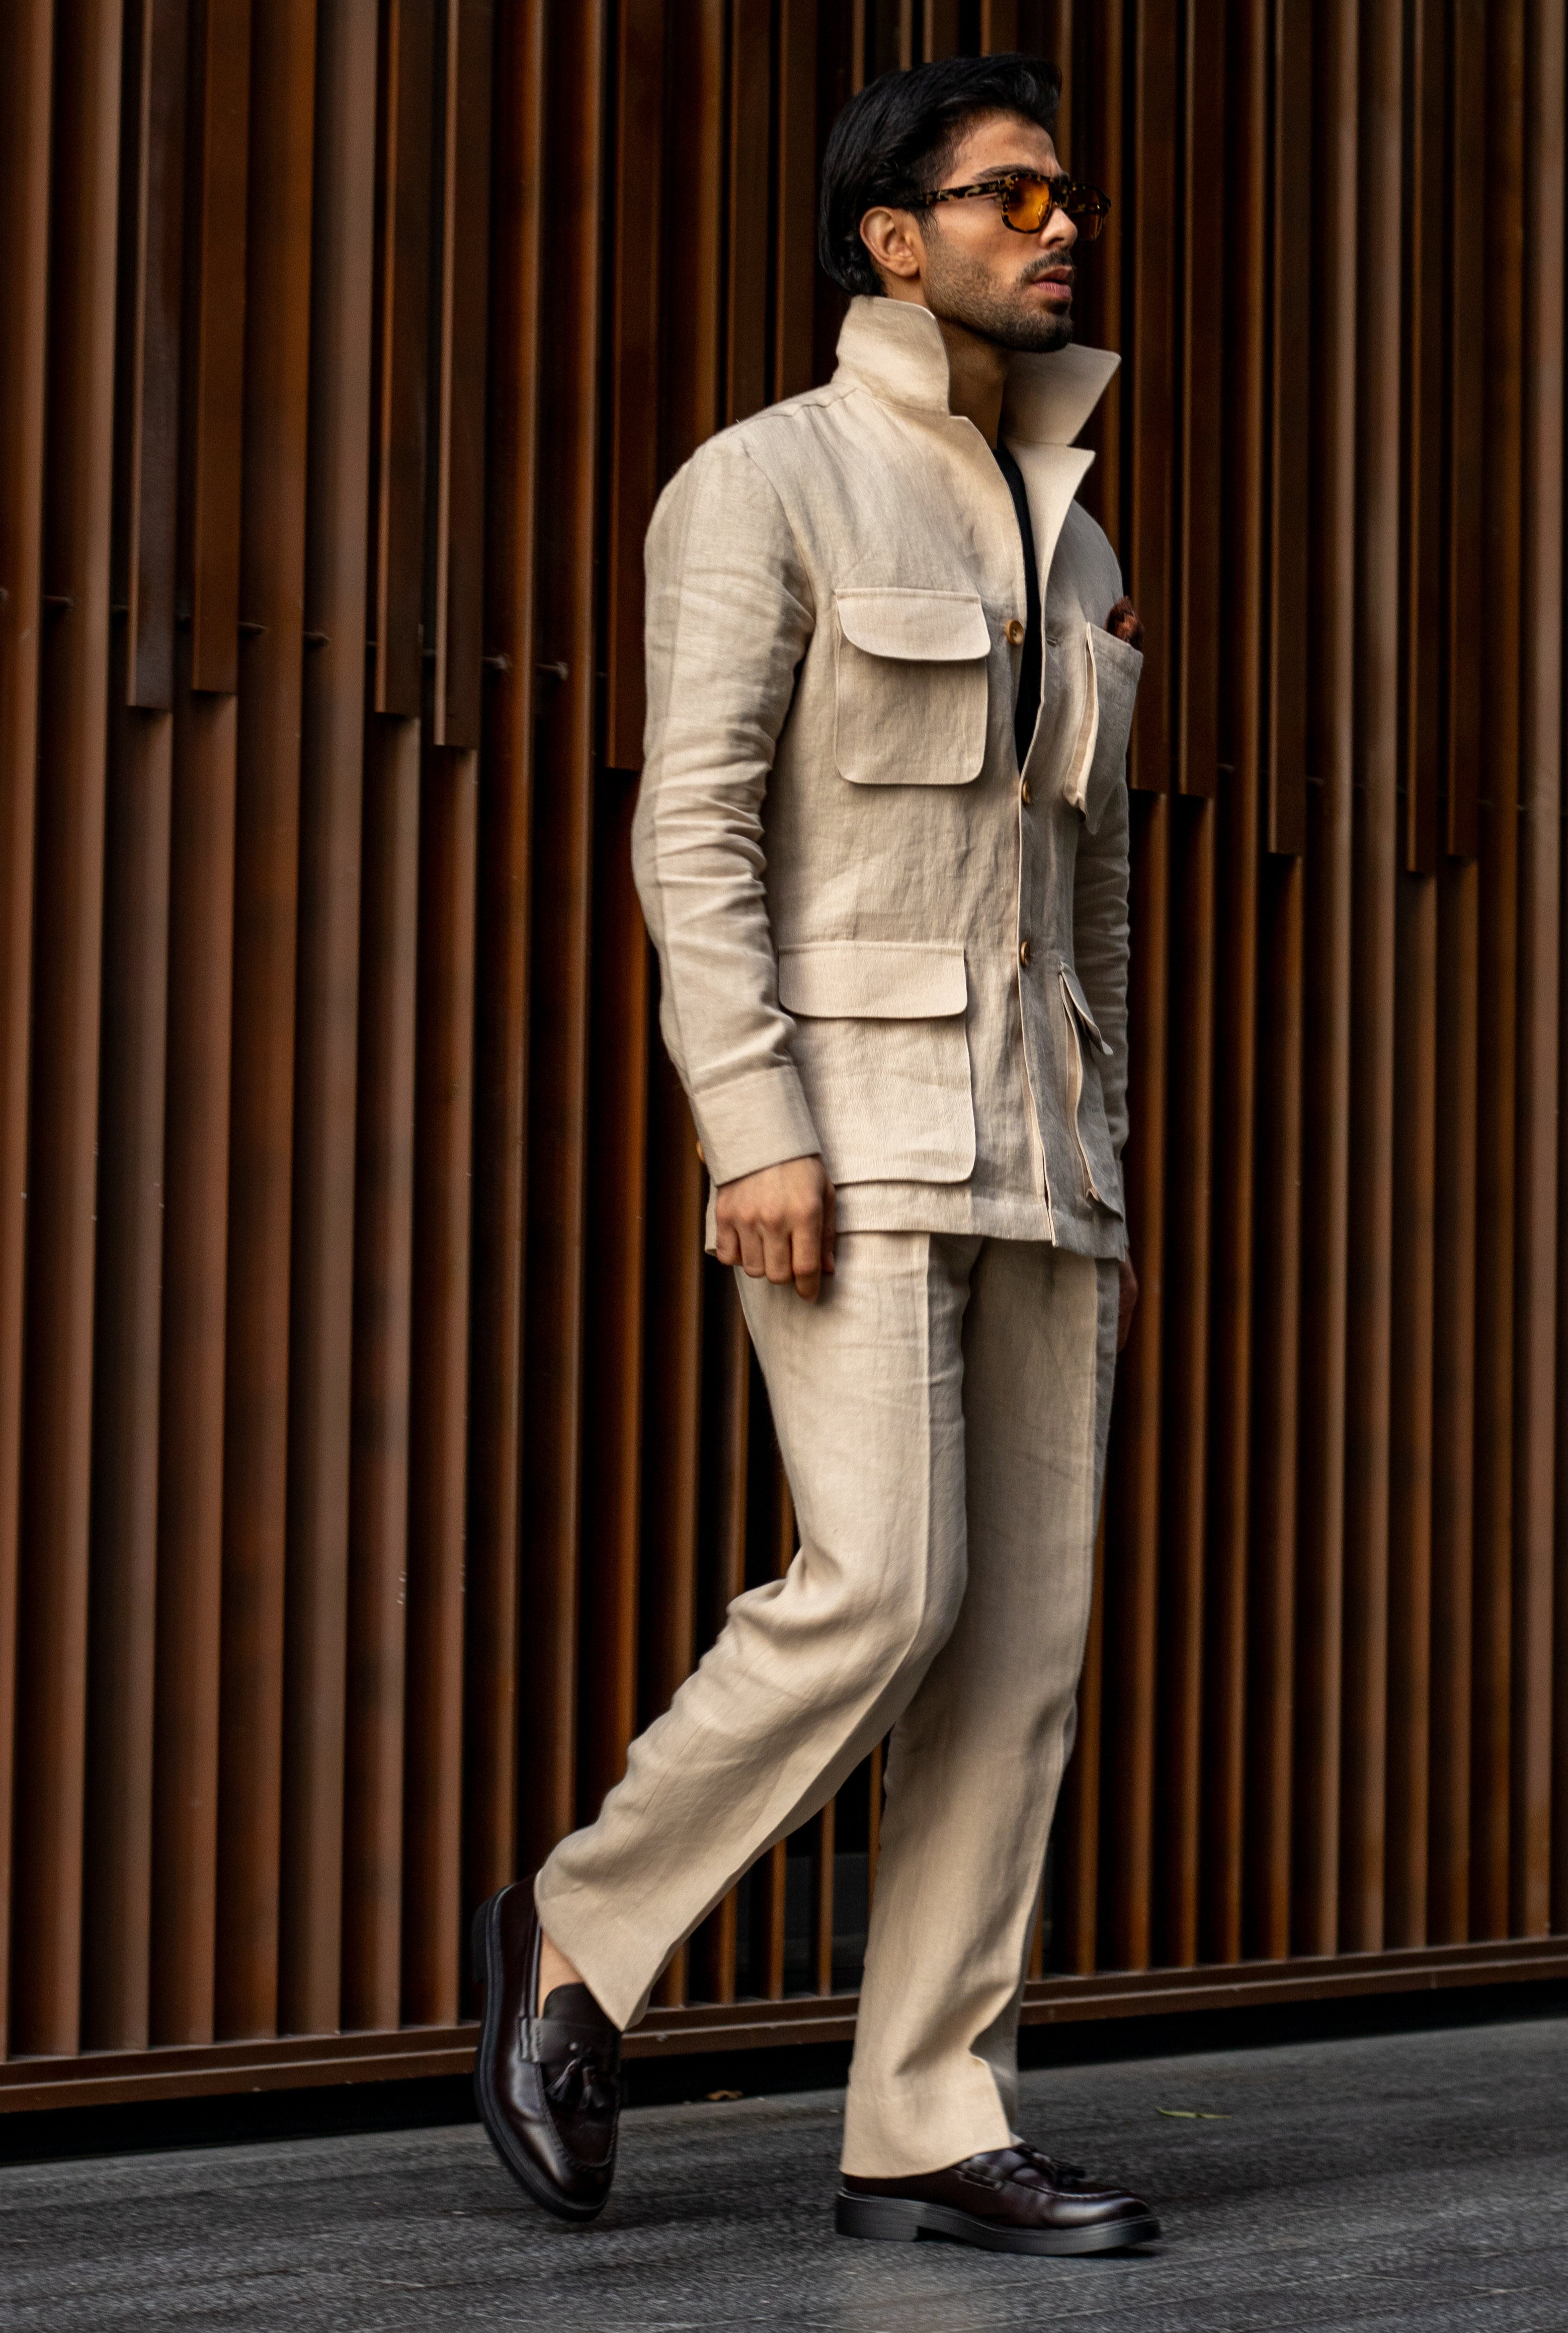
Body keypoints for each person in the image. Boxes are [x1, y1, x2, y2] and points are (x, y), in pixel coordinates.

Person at [471, 51, 1154, 2257]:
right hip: (847, 1133)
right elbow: (693, 830)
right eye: (1012, 196)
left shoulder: (1075, 535)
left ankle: (925, 2121)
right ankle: (581, 1923)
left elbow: (1092, 890)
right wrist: (747, 1120)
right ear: (893, 239)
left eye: (1064, 196)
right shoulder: (761, 482)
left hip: (1045, 1152)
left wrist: (1105, 1130)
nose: (1060, 227)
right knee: (882, 1583)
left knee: (1018, 1654)